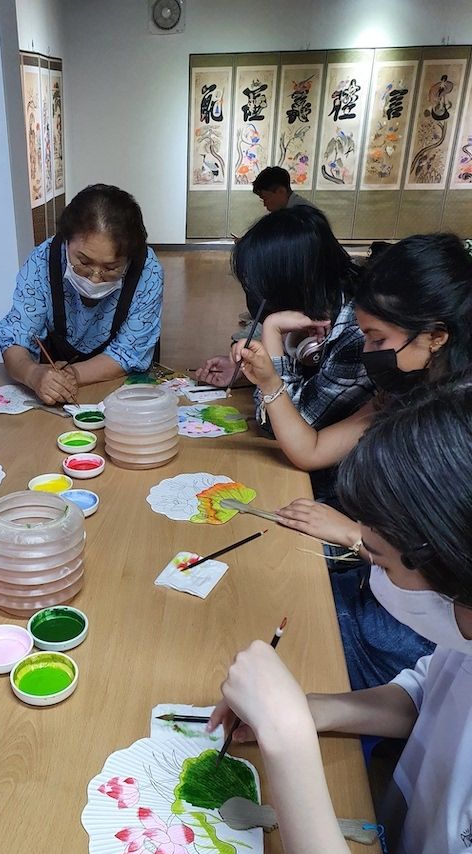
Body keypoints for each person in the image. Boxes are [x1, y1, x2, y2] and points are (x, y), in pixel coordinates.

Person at [208, 379, 472, 854]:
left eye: (373, 553)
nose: (367, 563)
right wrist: (315, 709)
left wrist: (289, 740)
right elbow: (432, 687)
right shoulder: (464, 625)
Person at [239, 234, 472, 686]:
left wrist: (352, 534)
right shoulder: (404, 387)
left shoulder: (451, 436)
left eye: (377, 338)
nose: (367, 353)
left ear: (437, 336)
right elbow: (311, 449)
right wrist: (269, 380)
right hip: (383, 588)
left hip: (412, 636)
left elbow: (438, 575)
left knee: (280, 635)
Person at [196, 206, 374, 431]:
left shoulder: (355, 334)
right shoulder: (314, 305)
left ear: (292, 281)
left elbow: (284, 426)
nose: (256, 296)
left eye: (260, 285)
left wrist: (272, 329)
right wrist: (244, 373)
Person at [0, 183, 164, 406]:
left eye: (111, 268)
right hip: (54, 388)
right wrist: (33, 375)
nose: (95, 278)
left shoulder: (146, 270)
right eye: (83, 262)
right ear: (67, 241)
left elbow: (130, 351)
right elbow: (17, 337)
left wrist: (71, 375)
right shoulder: (43, 261)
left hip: (119, 388)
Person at [252, 165, 316, 213]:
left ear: (281, 191)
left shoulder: (302, 213)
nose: (265, 204)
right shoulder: (287, 209)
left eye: (266, 198)